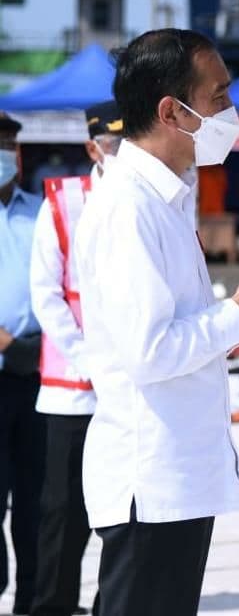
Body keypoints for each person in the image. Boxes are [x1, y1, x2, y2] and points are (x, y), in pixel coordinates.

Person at [72, 28, 239, 616]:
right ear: (172, 111)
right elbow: (150, 352)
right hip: (151, 481)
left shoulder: (165, 198)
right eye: (218, 97)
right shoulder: (128, 209)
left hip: (178, 479)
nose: (230, 112)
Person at [28, 100, 123, 616]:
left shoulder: (154, 198)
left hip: (130, 391)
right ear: (93, 148)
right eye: (112, 145)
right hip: (74, 391)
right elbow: (46, 294)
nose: (120, 153)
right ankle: (52, 607)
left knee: (125, 517)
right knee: (62, 514)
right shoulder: (63, 202)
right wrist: (89, 361)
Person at [0, 112, 46, 615]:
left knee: (37, 498)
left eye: (9, 142)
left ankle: (35, 601)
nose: (5, 152)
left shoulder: (43, 213)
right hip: (3, 362)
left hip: (38, 370)